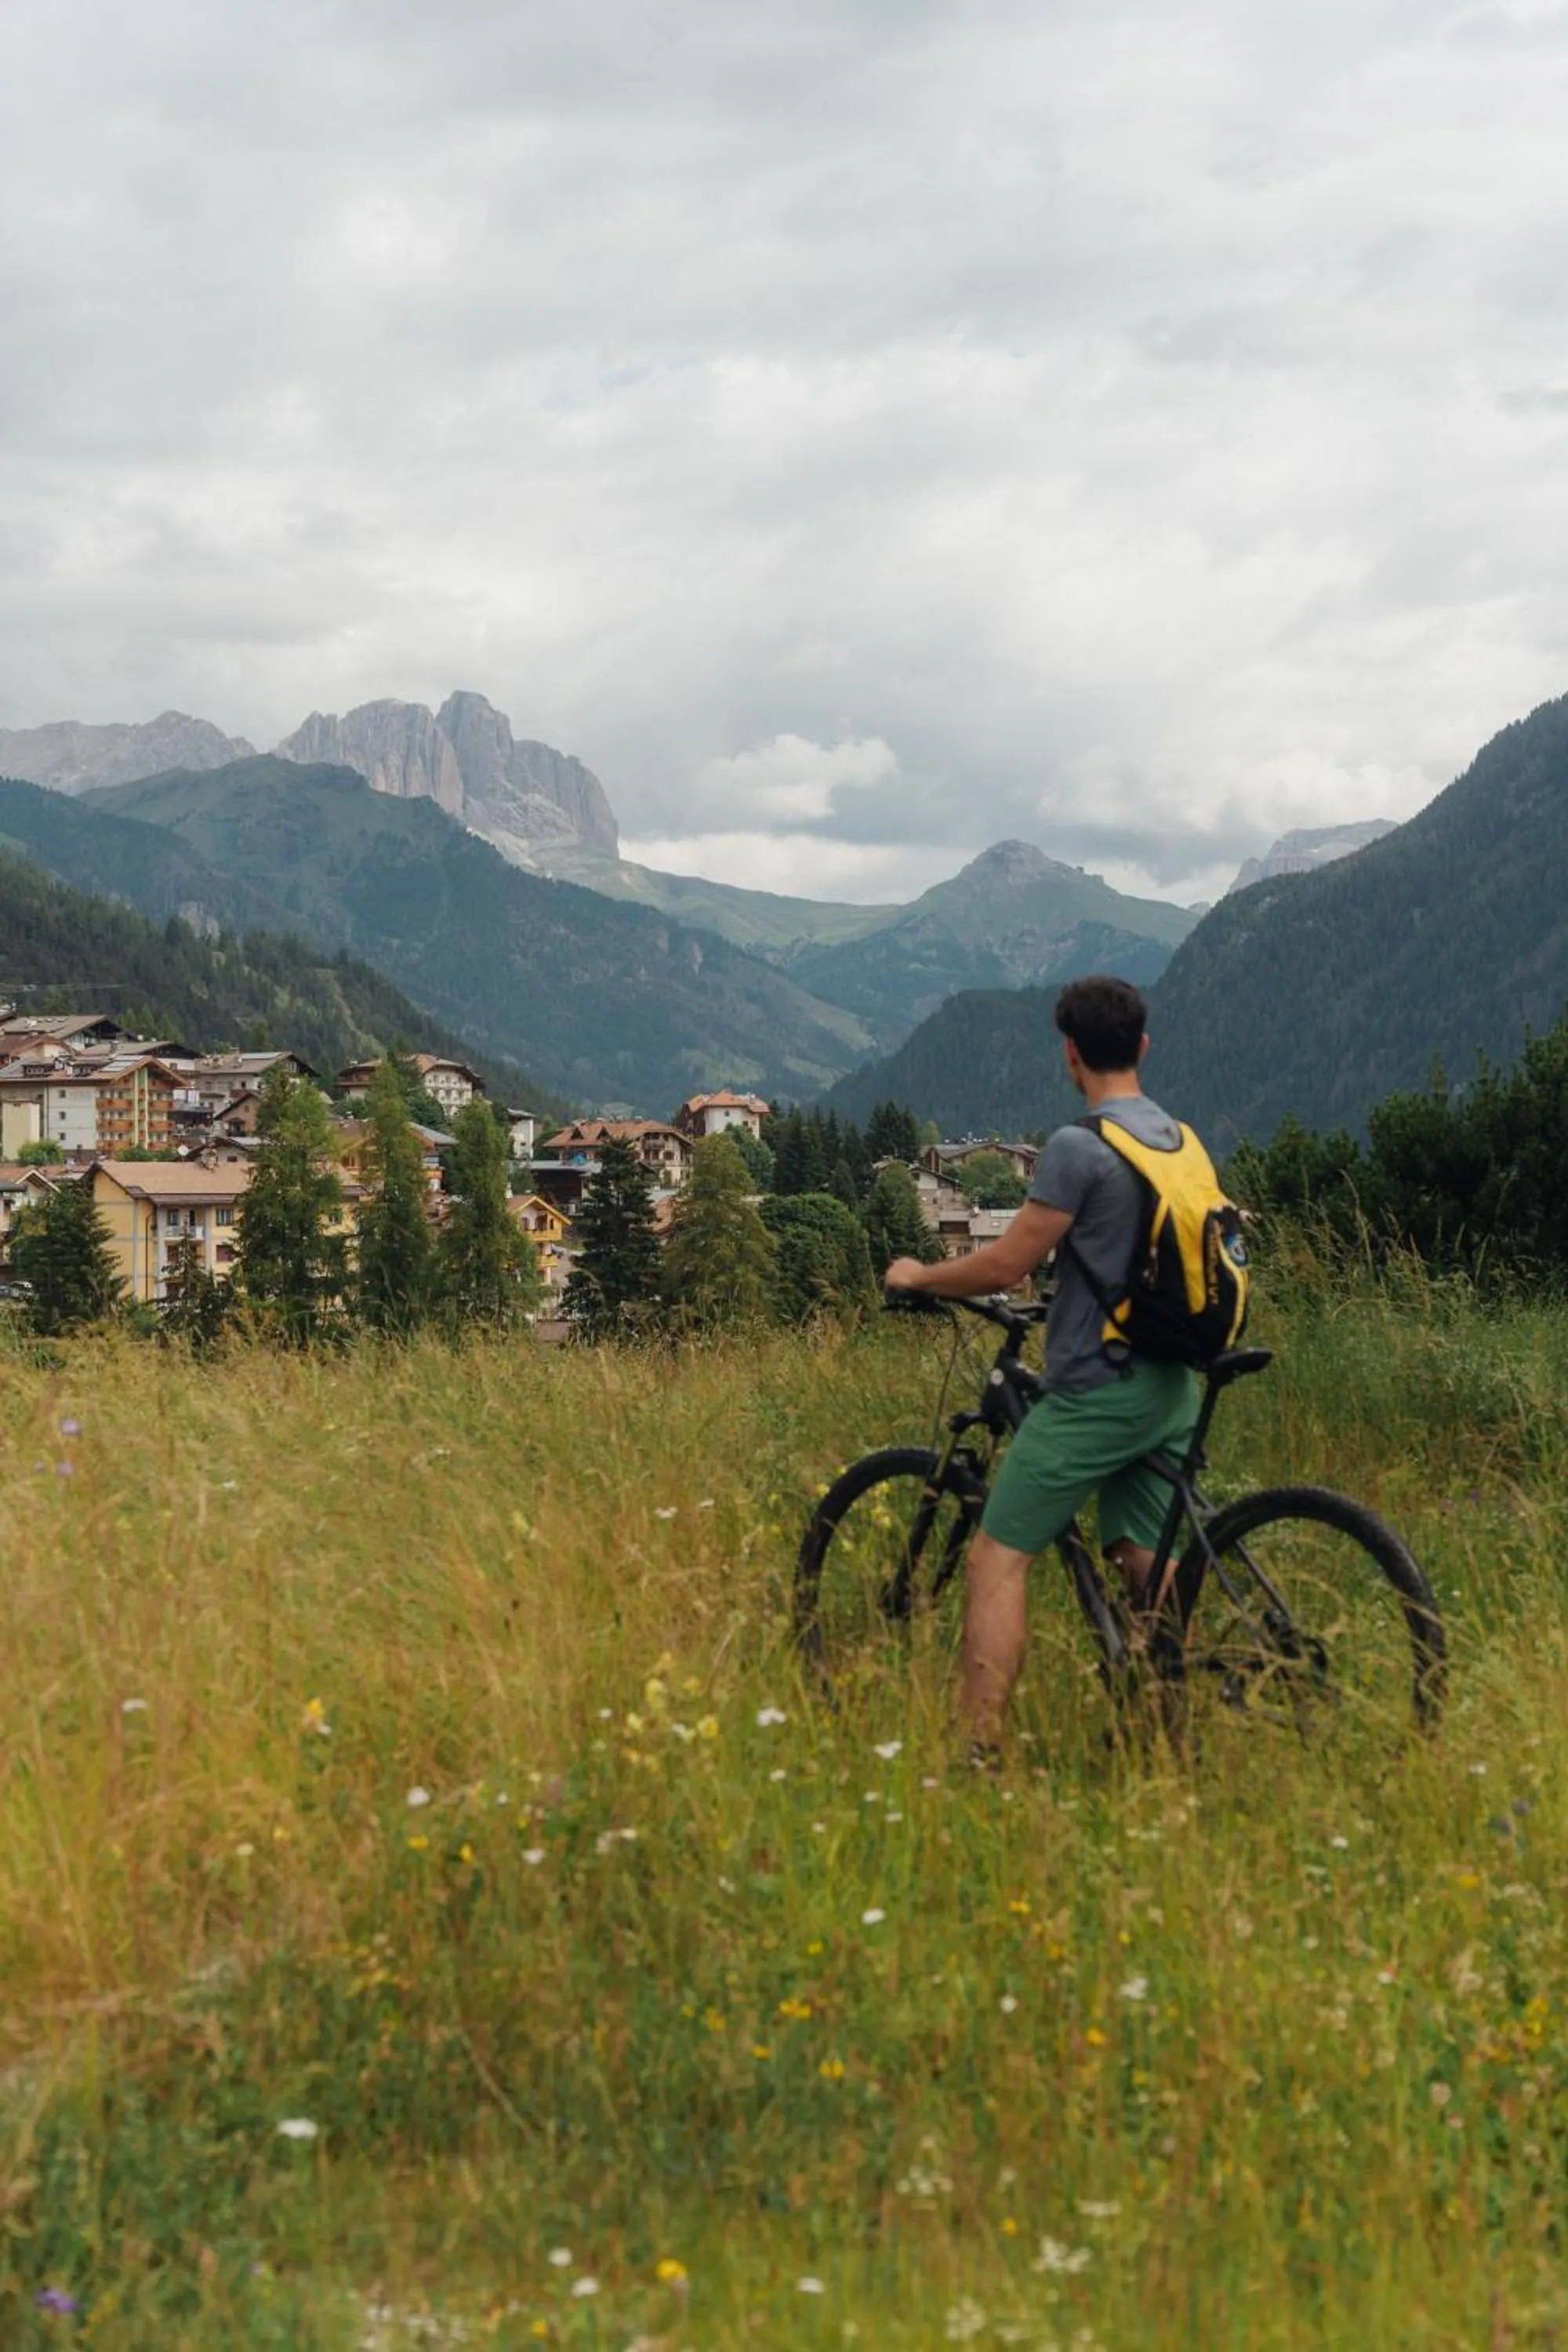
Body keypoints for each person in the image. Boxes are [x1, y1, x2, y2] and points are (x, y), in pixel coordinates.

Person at [883, 975, 1200, 1753]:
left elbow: (1004, 1268)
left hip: (1099, 1391)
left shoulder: (1078, 1147)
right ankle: (1162, 1726)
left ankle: (978, 1750)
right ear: (1142, 1047)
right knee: (1139, 1554)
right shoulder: (1176, 1140)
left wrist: (917, 1276)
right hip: (1171, 1382)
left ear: (1069, 1055)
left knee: (995, 1556)